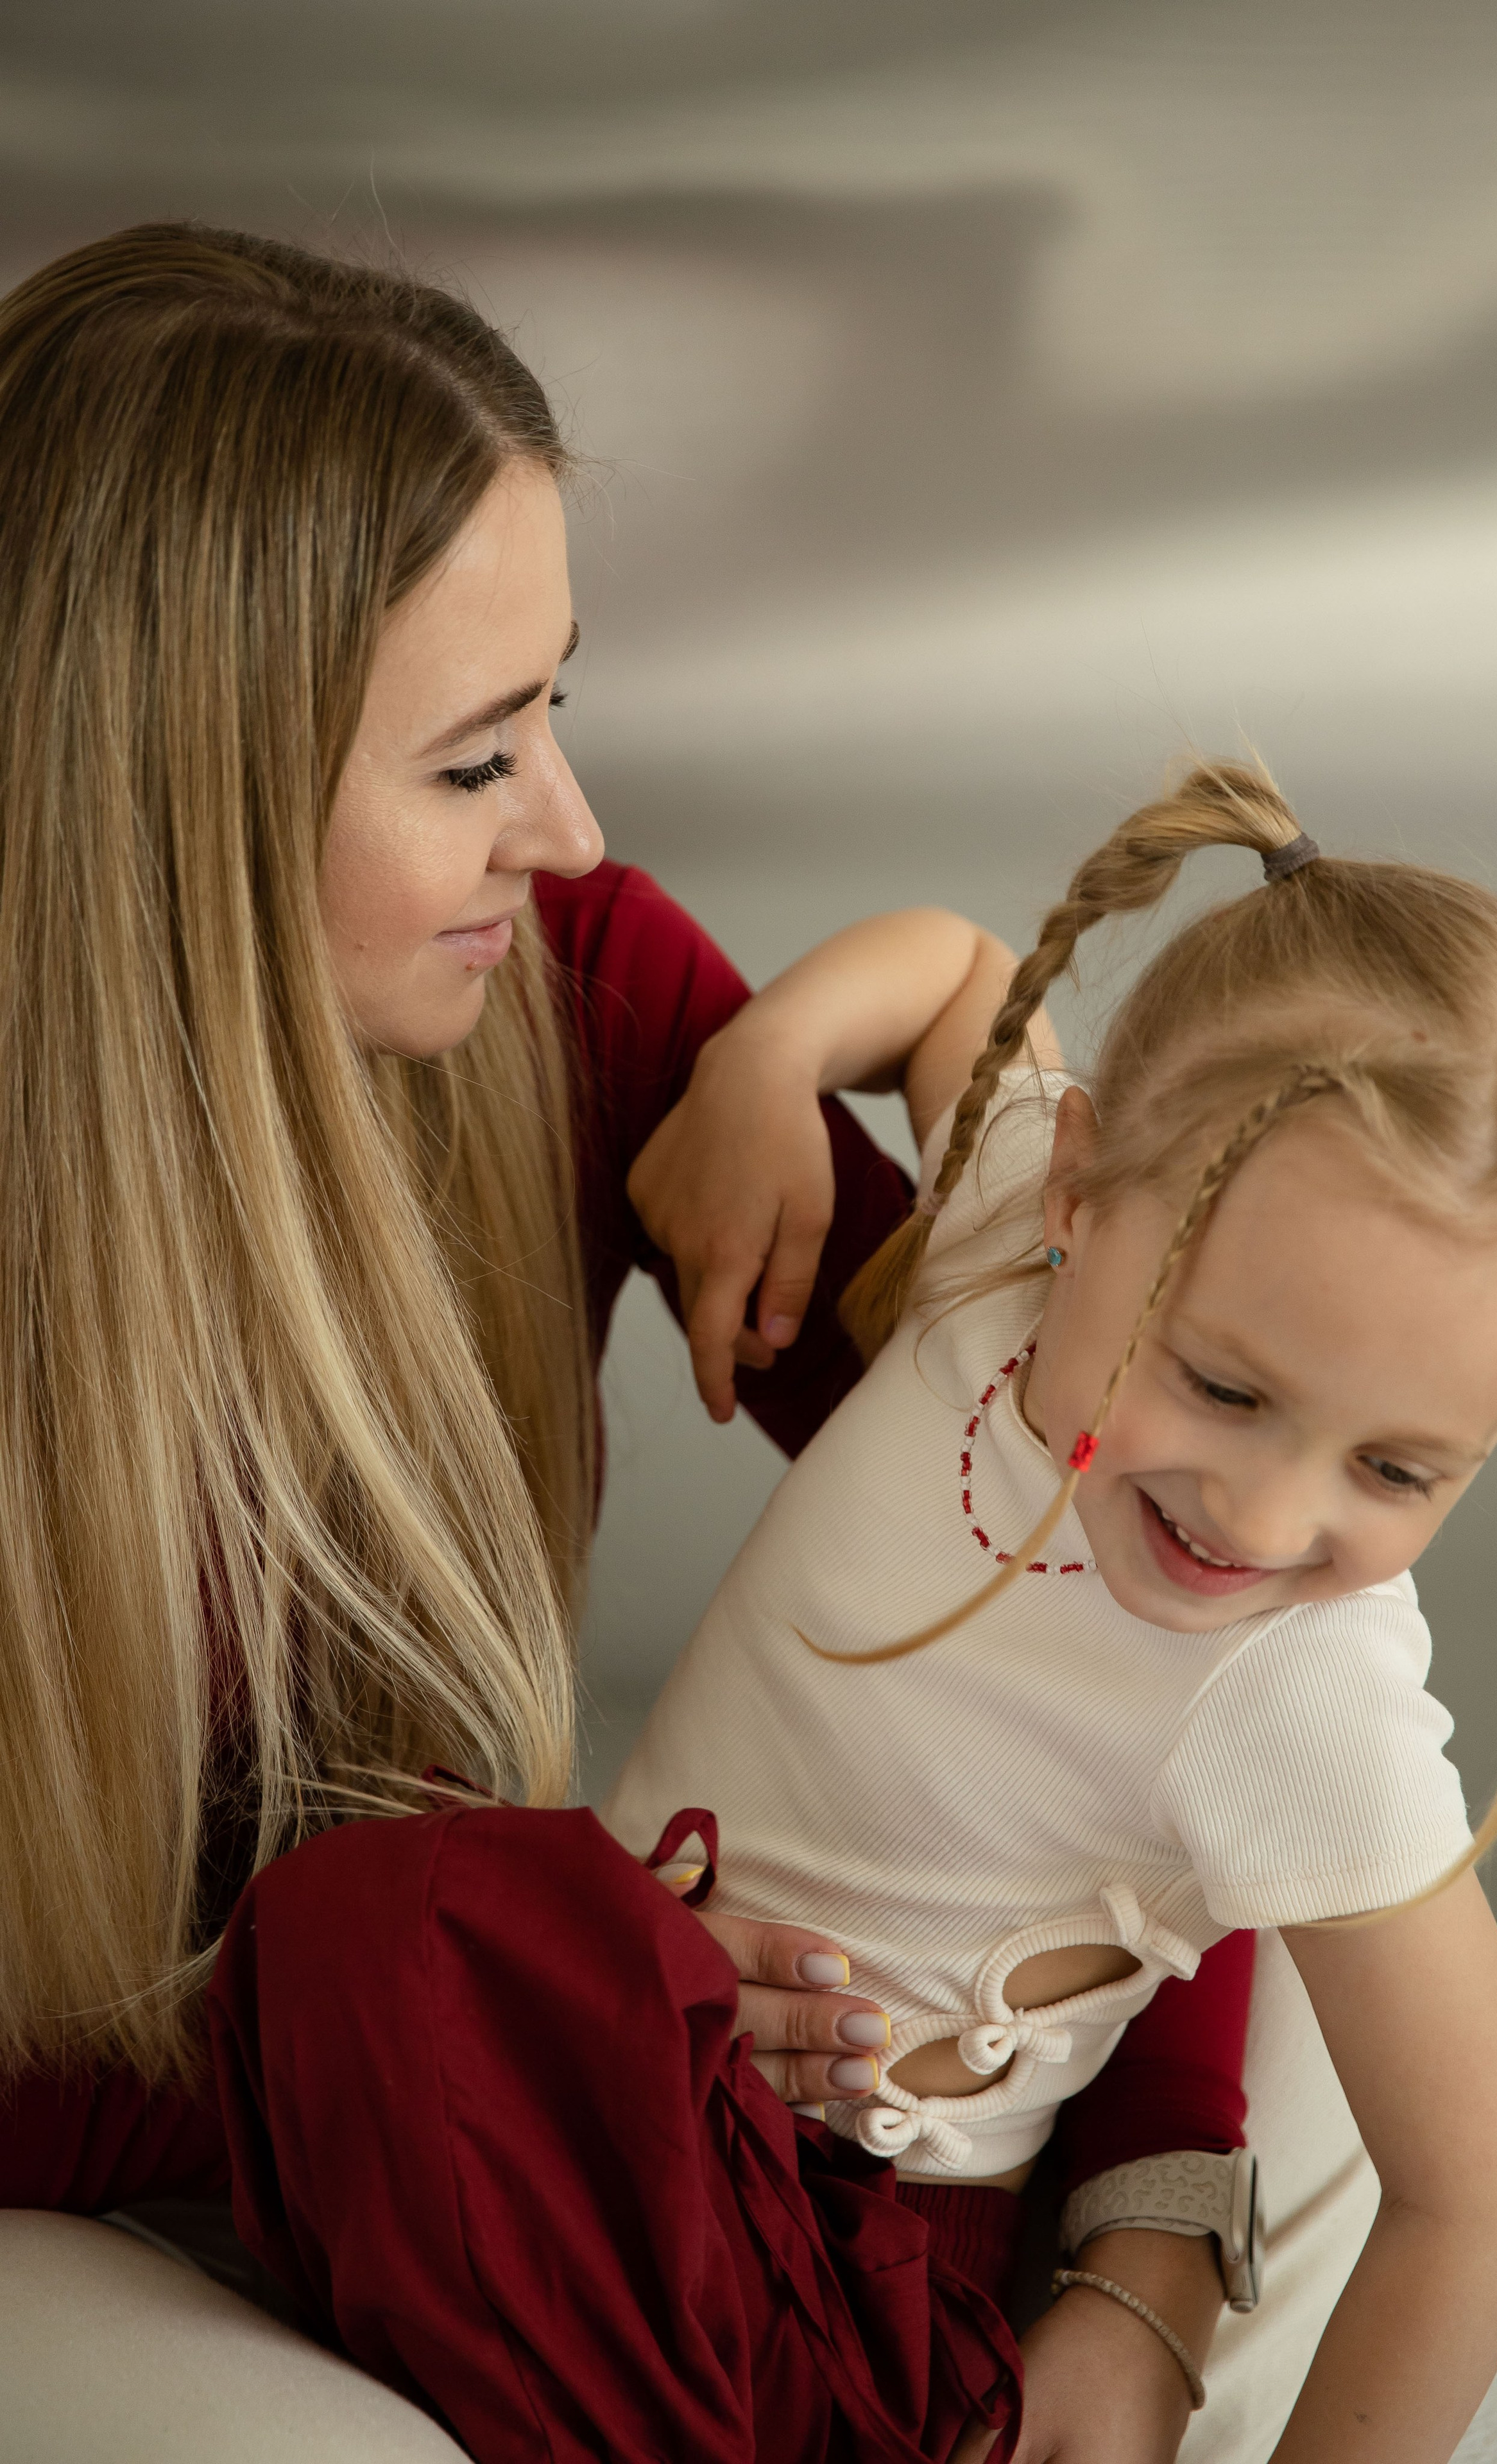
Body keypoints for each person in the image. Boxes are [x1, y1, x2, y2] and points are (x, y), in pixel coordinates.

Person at [0, 223, 1253, 2460]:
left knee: (1324, 2042)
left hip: (489, 2128)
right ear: (173, 808)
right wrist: (568, 2001)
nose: (570, 827)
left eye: (557, 702)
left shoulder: (568, 993)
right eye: (478, 762)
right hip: (121, 2187)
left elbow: (1117, 1545)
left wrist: (1148, 2256)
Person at [608, 760, 1497, 2460]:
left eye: (1399, 1472)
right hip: (623, 2050)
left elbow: (1481, 2199)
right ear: (1084, 1193)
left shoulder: (1299, 1685)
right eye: (1226, 1386)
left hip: (823, 2253)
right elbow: (950, 974)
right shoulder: (1010, 1247)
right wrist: (771, 1056)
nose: (1268, 1515)